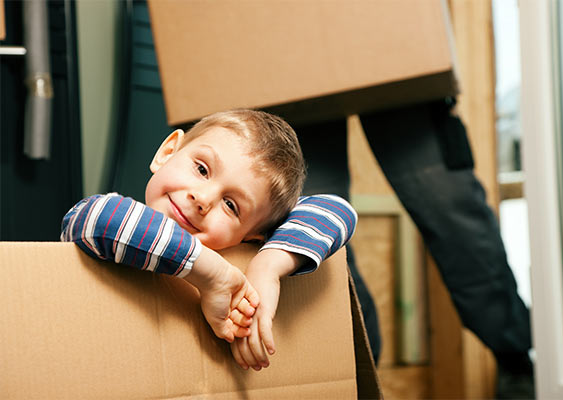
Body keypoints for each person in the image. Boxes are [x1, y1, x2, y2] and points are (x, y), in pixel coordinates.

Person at [61, 109, 357, 366]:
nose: (202, 198)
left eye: (231, 205)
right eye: (201, 169)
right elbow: (95, 217)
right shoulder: (114, 219)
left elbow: (338, 210)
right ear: (167, 153)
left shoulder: (253, 251)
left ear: (254, 237)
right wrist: (211, 274)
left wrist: (267, 268)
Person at [295, 98, 534, 399]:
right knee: (312, 239)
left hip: (396, 68)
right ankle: (358, 378)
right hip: (292, 86)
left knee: (452, 214)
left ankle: (514, 356)